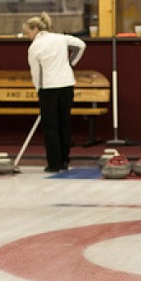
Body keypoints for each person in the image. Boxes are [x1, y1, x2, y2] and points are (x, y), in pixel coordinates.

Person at [24, 12, 87, 172]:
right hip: (67, 85)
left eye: (28, 32)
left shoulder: (34, 47)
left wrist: (38, 90)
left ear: (35, 29)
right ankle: (65, 160)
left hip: (49, 88)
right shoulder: (60, 38)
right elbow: (81, 45)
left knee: (51, 127)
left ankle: (54, 163)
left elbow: (35, 73)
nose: (27, 36)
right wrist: (70, 63)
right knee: (64, 124)